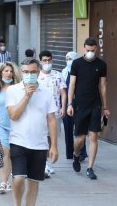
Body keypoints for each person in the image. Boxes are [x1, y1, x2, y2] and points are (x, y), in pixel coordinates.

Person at [6, 58, 58, 206]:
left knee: (34, 183)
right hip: (18, 142)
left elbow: (52, 120)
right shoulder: (13, 90)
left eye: (33, 72)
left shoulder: (46, 92)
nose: (29, 75)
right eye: (26, 72)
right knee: (18, 178)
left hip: (40, 145)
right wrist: (27, 96)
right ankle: (17, 203)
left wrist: (53, 145)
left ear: (38, 71)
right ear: (21, 73)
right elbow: (14, 115)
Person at [67, 37, 110, 180]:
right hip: (80, 105)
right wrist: (69, 104)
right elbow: (72, 85)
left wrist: (105, 107)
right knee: (80, 138)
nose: (90, 52)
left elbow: (103, 86)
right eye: (88, 50)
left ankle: (90, 168)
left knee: (93, 136)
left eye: (93, 50)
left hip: (95, 105)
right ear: (83, 49)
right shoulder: (77, 63)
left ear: (96, 49)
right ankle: (76, 155)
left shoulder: (101, 64)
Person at [0, 61, 20, 194]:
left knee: (13, 154)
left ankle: (12, 176)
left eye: (10, 71)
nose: (9, 73)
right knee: (3, 152)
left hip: (16, 125)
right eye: (6, 71)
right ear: (0, 73)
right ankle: (3, 182)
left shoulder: (18, 88)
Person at [37, 50, 67, 178]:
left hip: (54, 112)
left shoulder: (58, 75)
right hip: (40, 113)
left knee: (51, 137)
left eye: (49, 60)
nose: (47, 62)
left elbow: (63, 93)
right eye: (44, 60)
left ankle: (48, 163)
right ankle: (42, 164)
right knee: (41, 137)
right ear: (40, 61)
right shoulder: (36, 76)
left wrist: (63, 107)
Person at [62, 52, 88, 161]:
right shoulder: (63, 71)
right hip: (67, 103)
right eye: (67, 58)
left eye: (71, 58)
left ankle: (81, 153)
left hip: (78, 103)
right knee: (67, 129)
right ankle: (69, 153)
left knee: (79, 130)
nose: (69, 60)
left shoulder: (82, 70)